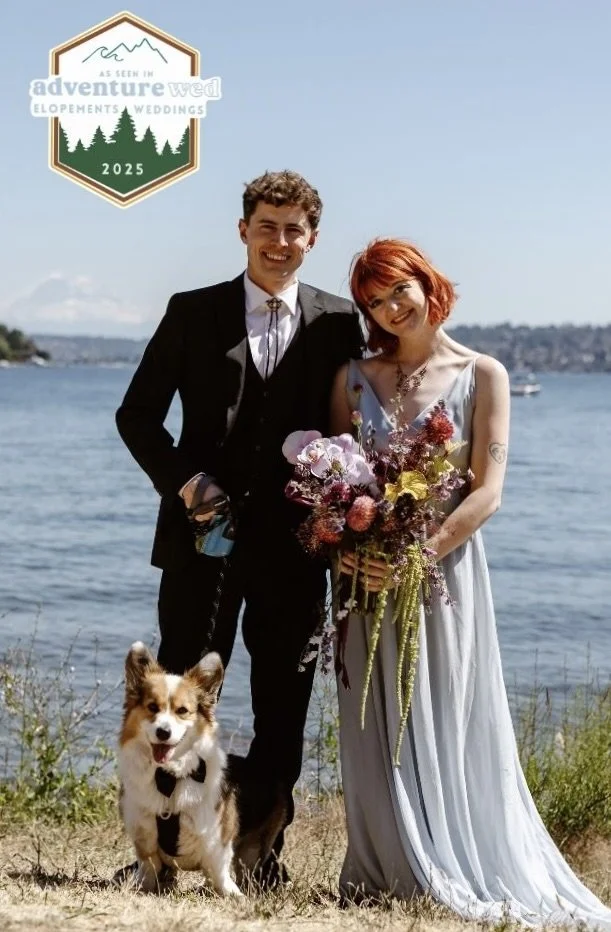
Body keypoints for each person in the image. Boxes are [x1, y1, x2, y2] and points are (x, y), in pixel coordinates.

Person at [329, 238, 611, 927]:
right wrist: (345, 551)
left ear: (426, 283)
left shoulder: (483, 374)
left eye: (399, 289)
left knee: (447, 712)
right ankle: (385, 870)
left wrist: (418, 554)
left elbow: (487, 492)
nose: (391, 308)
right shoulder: (352, 378)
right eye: (374, 301)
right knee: (370, 719)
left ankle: (453, 861)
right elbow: (338, 483)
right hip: (366, 579)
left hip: (441, 573)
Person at [115, 170, 364, 885]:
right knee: (175, 709)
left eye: (294, 230)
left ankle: (262, 855)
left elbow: (354, 424)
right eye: (267, 227)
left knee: (284, 706)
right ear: (243, 230)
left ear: (312, 239)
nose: (279, 242)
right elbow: (136, 416)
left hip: (295, 551)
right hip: (201, 546)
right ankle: (161, 856)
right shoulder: (192, 311)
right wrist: (185, 481)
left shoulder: (338, 322)